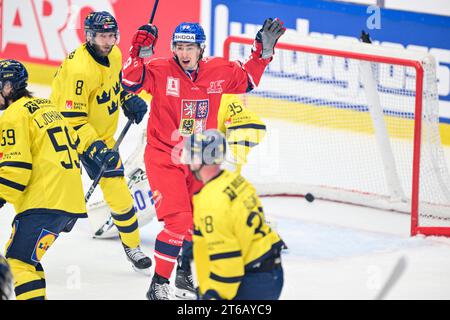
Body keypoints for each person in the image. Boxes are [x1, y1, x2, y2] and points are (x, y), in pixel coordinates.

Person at [122, 18, 284, 299]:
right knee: (178, 222)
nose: (184, 54)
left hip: (197, 161)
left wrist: (263, 53)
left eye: (190, 48)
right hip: (164, 156)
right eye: (179, 47)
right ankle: (158, 283)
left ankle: (184, 272)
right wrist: (136, 53)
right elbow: (130, 82)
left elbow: (247, 79)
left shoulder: (218, 70)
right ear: (173, 48)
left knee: (200, 220)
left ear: (201, 49)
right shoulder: (160, 69)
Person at [50, 11, 152, 274]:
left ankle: (133, 247)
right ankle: (27, 248)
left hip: (102, 140)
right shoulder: (79, 70)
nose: (107, 41)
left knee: (120, 196)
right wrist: (93, 147)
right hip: (64, 137)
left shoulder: (115, 55)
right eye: (101, 36)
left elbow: (114, 87)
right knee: (55, 199)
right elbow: (72, 120)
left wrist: (126, 99)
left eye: (111, 35)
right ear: (89, 36)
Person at [0, 59, 86, 300]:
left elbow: (16, 170)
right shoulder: (48, 107)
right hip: (67, 199)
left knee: (17, 262)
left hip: (46, 200)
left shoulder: (13, 116)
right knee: (28, 261)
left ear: (8, 88)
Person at [182, 129, 285, 300]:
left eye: (191, 156)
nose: (188, 162)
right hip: (270, 270)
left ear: (200, 160)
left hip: (252, 281)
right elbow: (233, 226)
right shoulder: (235, 180)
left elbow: (228, 261)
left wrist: (215, 296)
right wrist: (197, 243)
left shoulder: (212, 201)